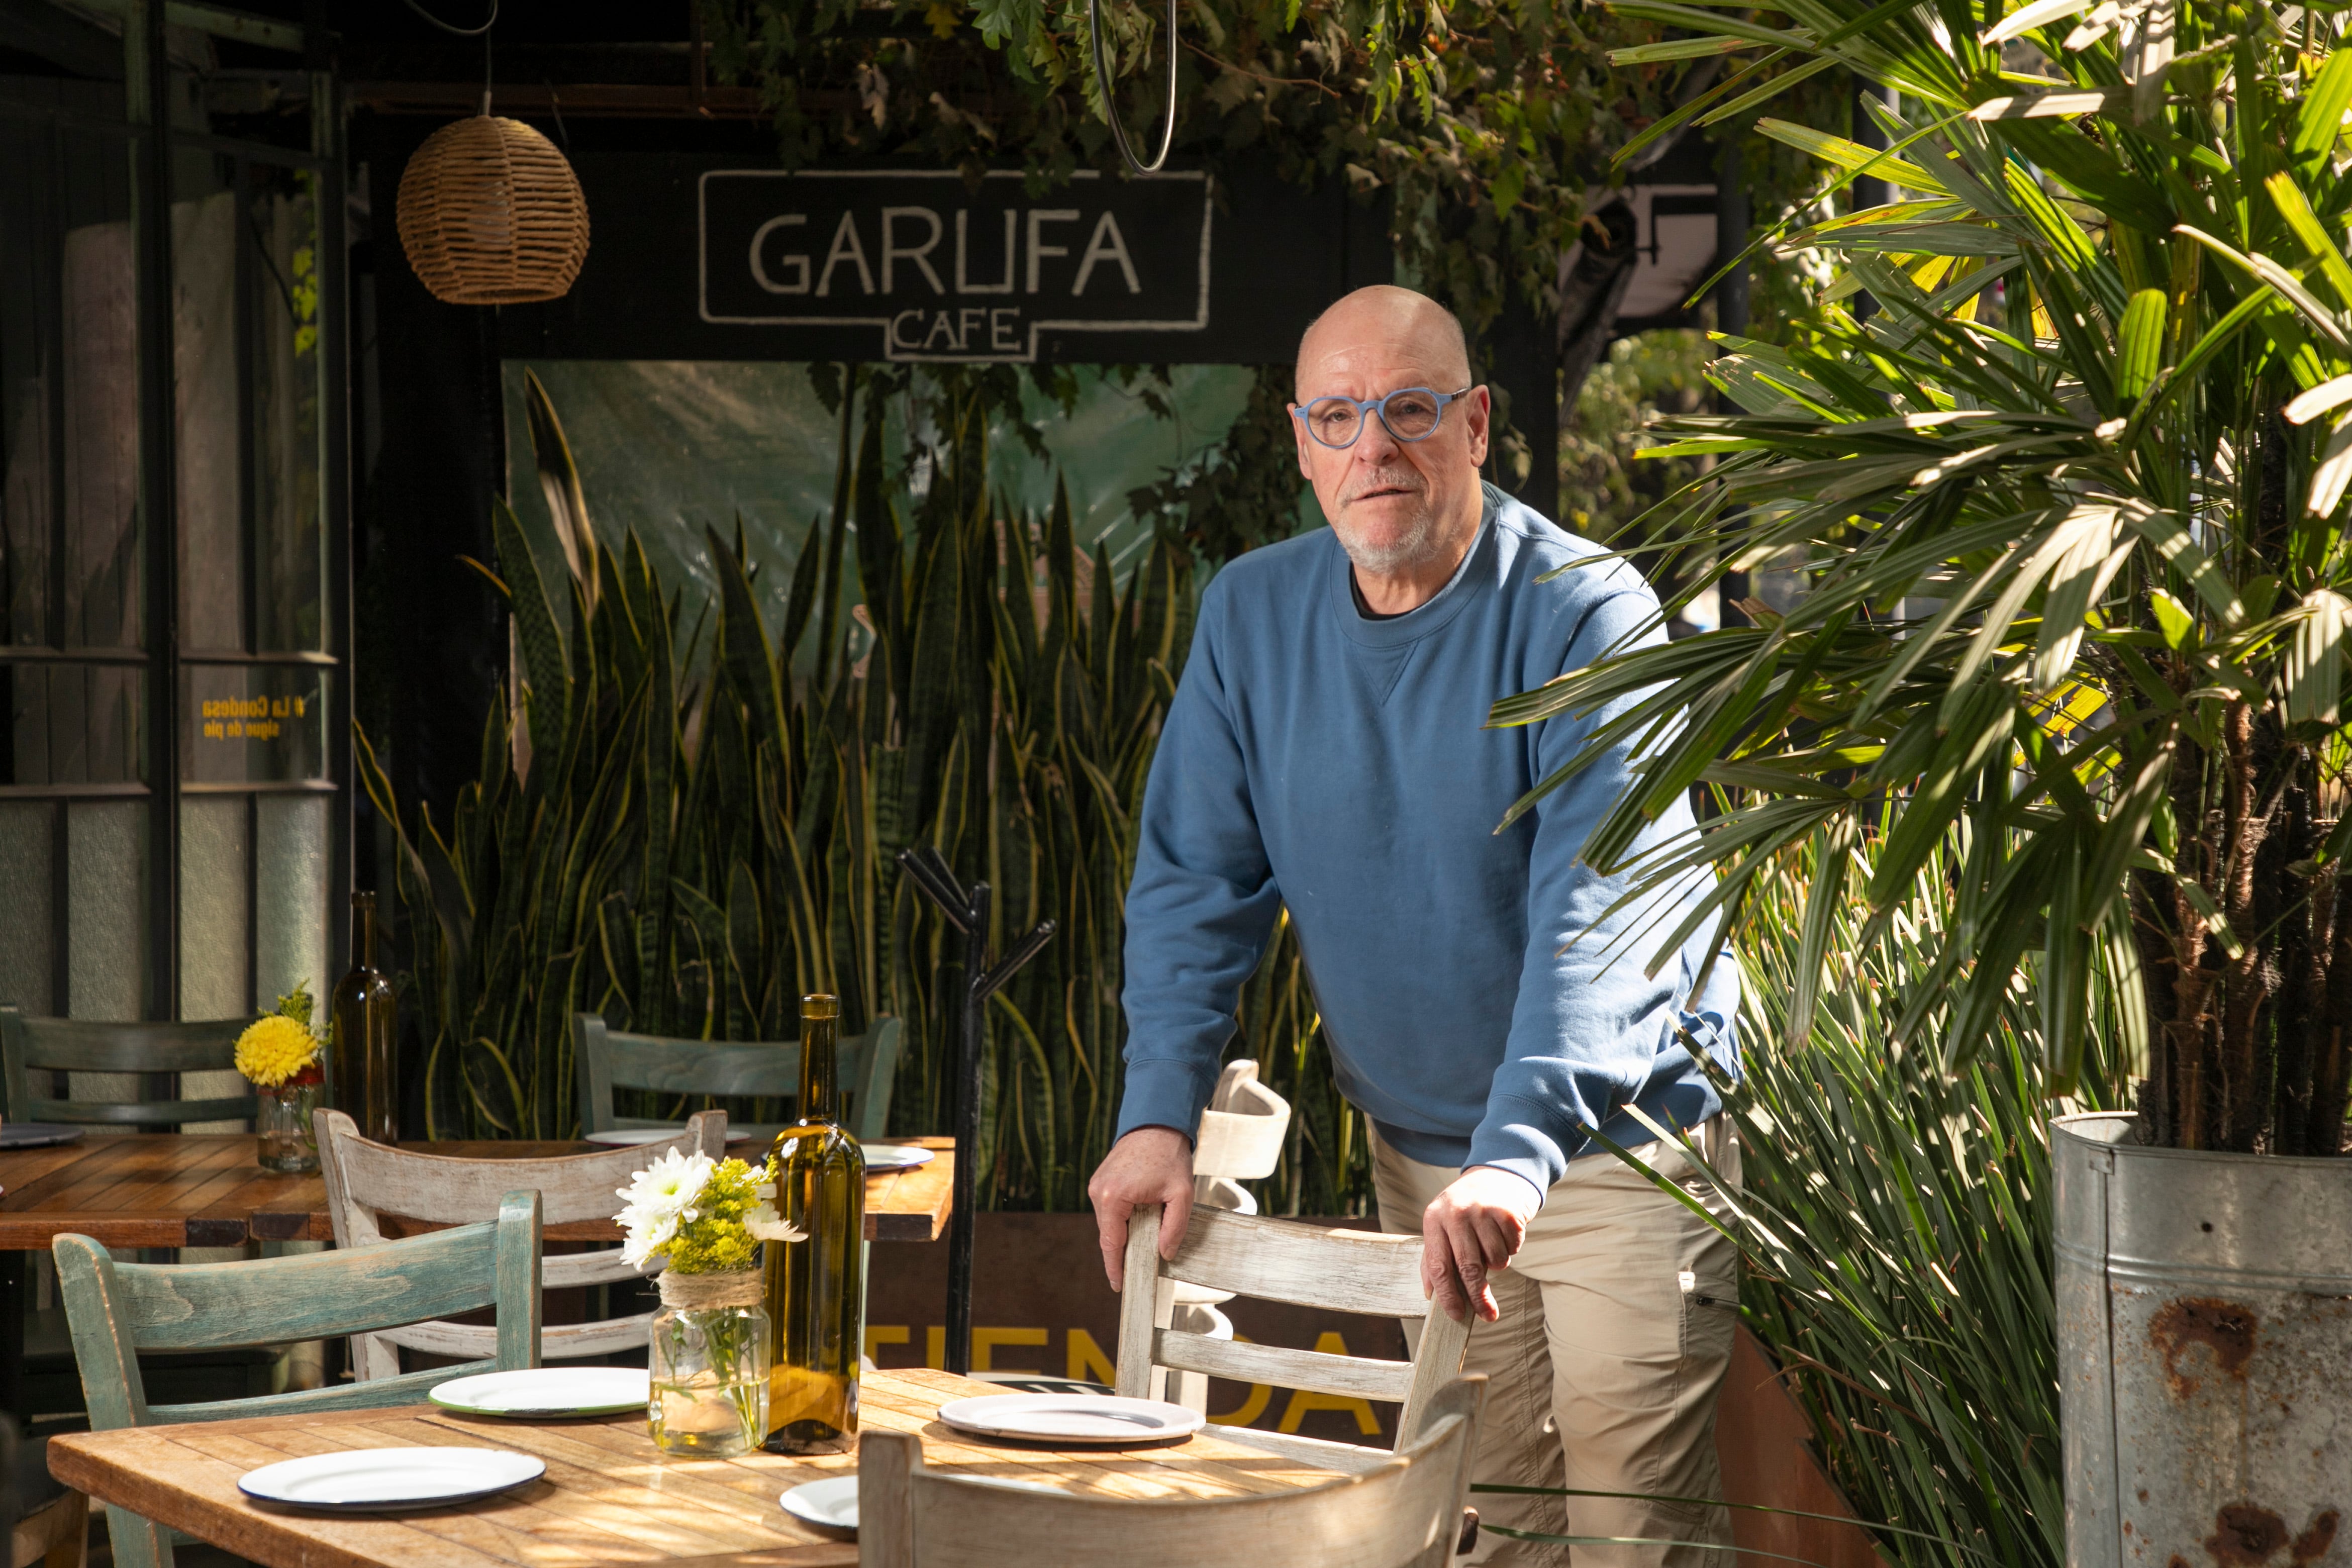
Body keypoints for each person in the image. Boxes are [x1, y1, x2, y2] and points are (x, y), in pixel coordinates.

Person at [1087, 284, 1743, 1566]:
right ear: (1301, 443)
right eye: (1338, 415)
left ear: (1477, 424)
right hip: (1426, 1160)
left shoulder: (1587, 610)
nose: (1373, 445)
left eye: (1408, 408)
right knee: (1490, 1524)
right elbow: (1191, 885)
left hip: (1620, 1147)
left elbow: (1601, 914)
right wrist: (1158, 1116)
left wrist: (1518, 1151)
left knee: (1632, 1538)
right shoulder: (1250, 617)